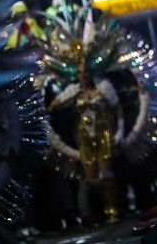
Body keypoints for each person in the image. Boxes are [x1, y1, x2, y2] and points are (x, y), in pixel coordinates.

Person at [50, 63, 123, 224]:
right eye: (80, 72)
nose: (83, 75)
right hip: (85, 141)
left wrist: (120, 131)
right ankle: (99, 210)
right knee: (92, 179)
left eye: (86, 71)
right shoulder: (74, 93)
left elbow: (117, 109)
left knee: (107, 176)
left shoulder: (103, 88)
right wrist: (68, 94)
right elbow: (53, 106)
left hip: (104, 135)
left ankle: (112, 211)